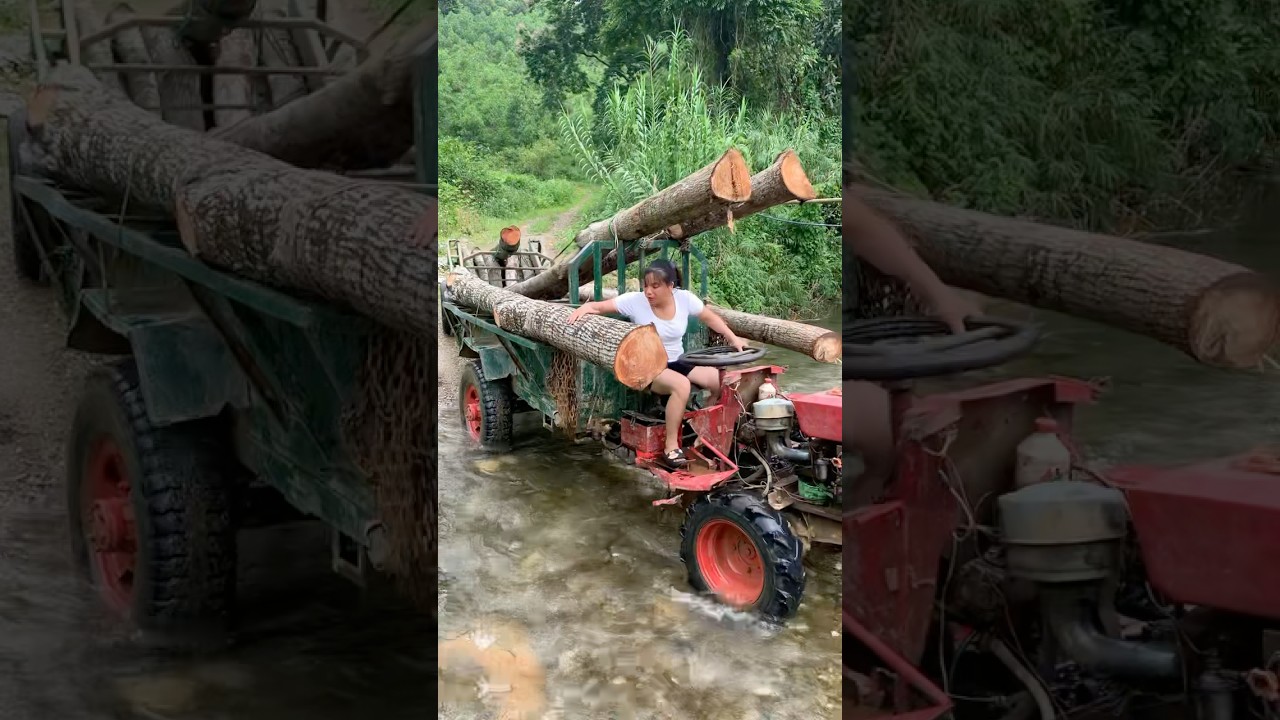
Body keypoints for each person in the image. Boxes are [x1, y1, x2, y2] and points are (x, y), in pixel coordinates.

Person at [843, 186, 981, 506]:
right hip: (845, 369)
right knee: (895, 443)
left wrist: (939, 295)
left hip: (862, 361)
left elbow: (863, 226)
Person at [567, 259, 749, 470]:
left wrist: (734, 338)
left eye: (655, 286)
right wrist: (585, 308)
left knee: (720, 381)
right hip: (649, 367)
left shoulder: (684, 299)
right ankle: (671, 446)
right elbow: (598, 307)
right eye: (645, 286)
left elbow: (710, 318)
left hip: (678, 361)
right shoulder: (635, 301)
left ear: (671, 286)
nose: (648, 292)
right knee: (681, 385)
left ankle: (704, 432)